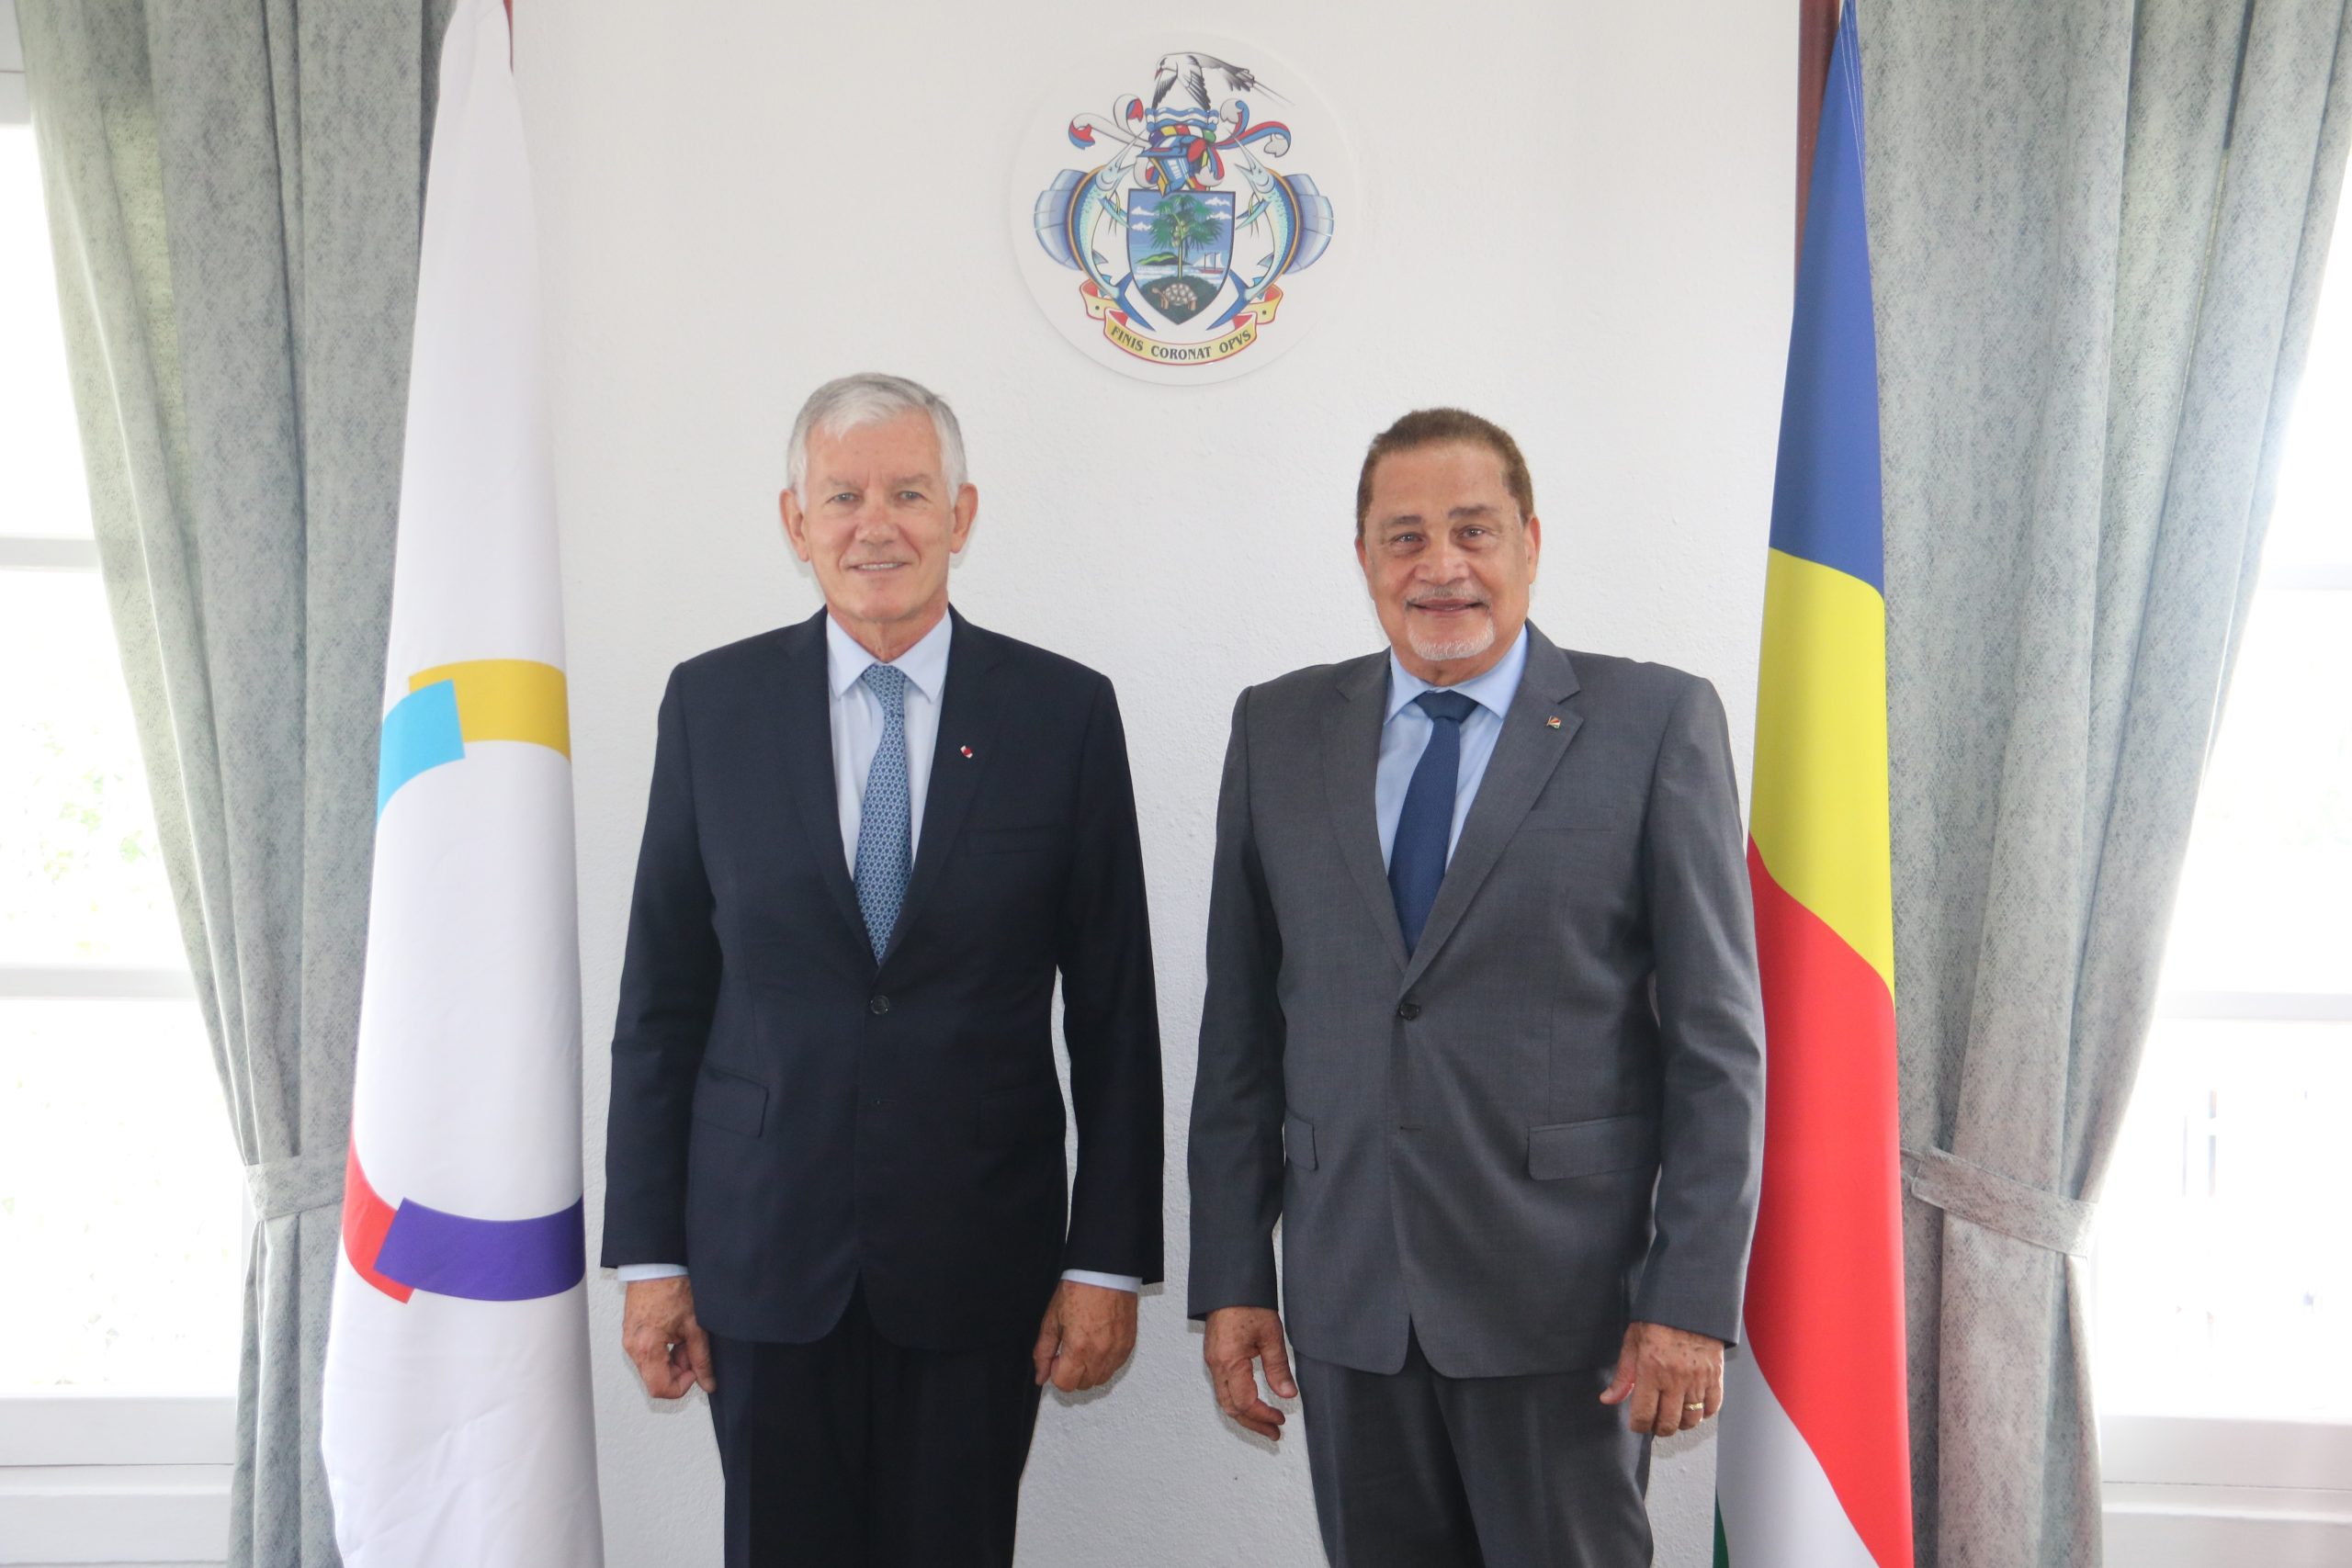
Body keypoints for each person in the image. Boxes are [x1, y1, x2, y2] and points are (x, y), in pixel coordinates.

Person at [602, 373, 1163, 1568]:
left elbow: (1116, 1015)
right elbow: (660, 1003)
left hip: (981, 1259)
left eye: (909, 493)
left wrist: (1106, 1259)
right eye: (843, 495)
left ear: (961, 513)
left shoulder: (1063, 713)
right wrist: (652, 1260)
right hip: (761, 1257)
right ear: (795, 521)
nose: (876, 525)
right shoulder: (711, 705)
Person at [1187, 407, 1765, 1567]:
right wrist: (1236, 1278)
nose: (1439, 565)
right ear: (1363, 558)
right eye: (1403, 536)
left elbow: (1717, 1047)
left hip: (1567, 1309)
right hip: (1350, 1300)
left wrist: (1688, 1298)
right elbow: (1241, 1030)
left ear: (1529, 542)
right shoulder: (1279, 728)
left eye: (1472, 530)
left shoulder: (1651, 723)